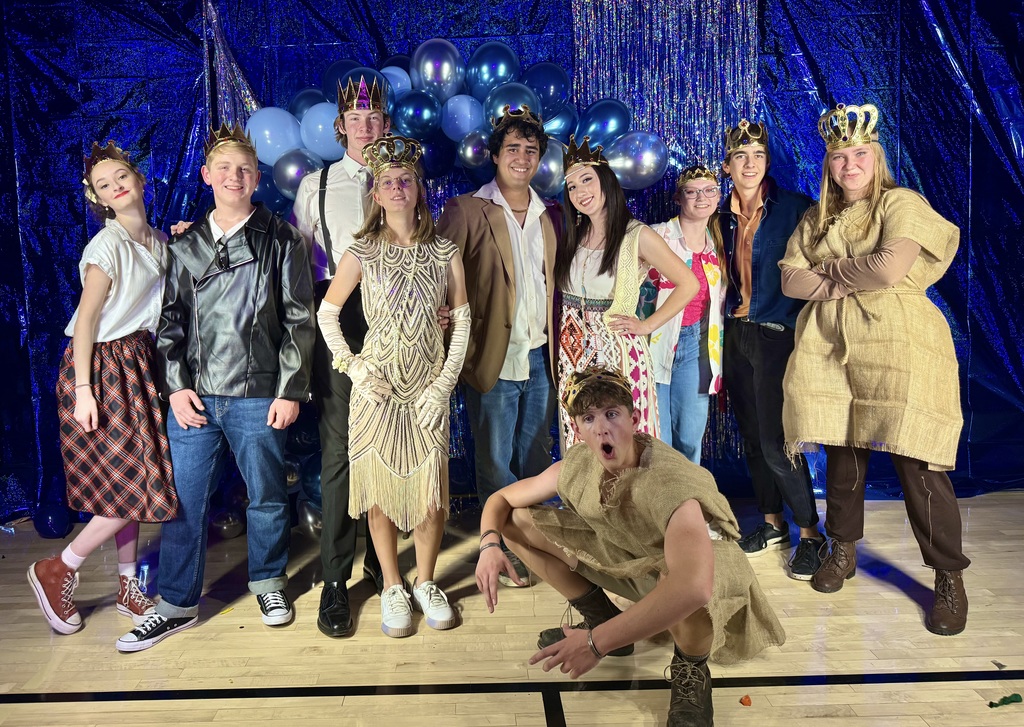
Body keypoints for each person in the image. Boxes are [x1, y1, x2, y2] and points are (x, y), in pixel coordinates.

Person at [475, 367, 785, 726]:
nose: (602, 428)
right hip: (630, 558)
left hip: (700, 575)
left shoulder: (667, 482)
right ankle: (602, 617)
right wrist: (488, 546)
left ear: (634, 419)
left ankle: (690, 671)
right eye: (589, 418)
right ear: (577, 429)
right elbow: (500, 500)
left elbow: (694, 586)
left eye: (612, 414)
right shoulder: (577, 463)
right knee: (516, 521)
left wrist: (595, 644)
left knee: (694, 591)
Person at [115, 123, 315, 652]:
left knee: (269, 496)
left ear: (258, 178)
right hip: (196, 394)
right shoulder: (188, 243)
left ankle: (269, 582)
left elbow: (299, 320)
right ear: (206, 176)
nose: (234, 176)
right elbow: (171, 322)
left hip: (258, 391)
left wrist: (290, 390)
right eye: (224, 168)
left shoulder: (282, 239)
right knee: (184, 501)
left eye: (244, 169)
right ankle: (176, 604)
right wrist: (176, 387)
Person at [779, 103, 969, 635]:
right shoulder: (816, 218)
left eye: (859, 154)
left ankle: (949, 577)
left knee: (919, 462)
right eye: (839, 157)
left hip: (898, 345)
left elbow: (889, 269)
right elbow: (790, 280)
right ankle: (842, 551)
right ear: (829, 164)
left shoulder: (900, 203)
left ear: (876, 156)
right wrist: (835, 278)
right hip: (833, 349)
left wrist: (829, 272)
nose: (849, 165)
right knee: (844, 454)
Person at [318, 134, 470, 638]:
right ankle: (390, 584)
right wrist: (355, 368)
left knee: (430, 492)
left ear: (419, 188)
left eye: (406, 180)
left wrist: (444, 384)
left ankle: (426, 581)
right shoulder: (360, 250)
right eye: (387, 182)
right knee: (380, 491)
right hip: (377, 391)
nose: (398, 188)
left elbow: (463, 320)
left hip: (427, 388)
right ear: (376, 194)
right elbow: (327, 313)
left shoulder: (444, 250)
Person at [28, 141, 178, 636]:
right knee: (137, 484)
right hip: (99, 364)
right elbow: (88, 319)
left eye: (122, 177)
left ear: (139, 180)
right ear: (99, 200)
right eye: (104, 185)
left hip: (136, 360)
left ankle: (127, 584)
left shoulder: (158, 240)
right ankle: (61, 567)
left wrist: (184, 235)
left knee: (124, 485)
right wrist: (85, 389)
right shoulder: (106, 246)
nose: (116, 187)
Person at [435, 104, 560, 589]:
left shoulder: (551, 214)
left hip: (541, 353)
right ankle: (505, 546)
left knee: (534, 454)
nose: (522, 157)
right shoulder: (469, 208)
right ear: (494, 155)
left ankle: (535, 539)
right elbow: (440, 272)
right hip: (492, 355)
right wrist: (446, 323)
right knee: (493, 458)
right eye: (513, 148)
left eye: (531, 150)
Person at [292, 75, 387, 637]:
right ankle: (334, 579)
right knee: (339, 449)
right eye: (357, 120)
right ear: (342, 127)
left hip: (397, 314)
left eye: (375, 119)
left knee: (392, 438)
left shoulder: (406, 179)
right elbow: (300, 263)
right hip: (340, 312)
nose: (367, 127)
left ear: (387, 125)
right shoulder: (316, 185)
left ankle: (384, 560)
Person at [718, 119, 824, 580]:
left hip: (778, 333)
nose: (750, 164)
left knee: (779, 441)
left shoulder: (797, 209)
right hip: (735, 334)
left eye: (758, 156)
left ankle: (811, 535)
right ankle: (771, 523)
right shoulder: (719, 212)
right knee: (751, 437)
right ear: (727, 166)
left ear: (767, 162)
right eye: (741, 157)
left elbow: (825, 263)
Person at [555, 135, 698, 449]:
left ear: (606, 182)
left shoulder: (636, 235)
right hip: (573, 358)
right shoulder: (573, 236)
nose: (580, 192)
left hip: (617, 358)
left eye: (587, 180)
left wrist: (646, 326)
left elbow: (689, 283)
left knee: (619, 445)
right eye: (572, 186)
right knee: (579, 443)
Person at [647, 164, 727, 464]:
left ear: (718, 197)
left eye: (709, 191)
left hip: (696, 344)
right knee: (658, 439)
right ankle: (660, 507)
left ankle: (688, 505)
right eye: (692, 192)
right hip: (655, 341)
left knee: (691, 437)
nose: (701, 198)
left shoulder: (718, 245)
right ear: (679, 198)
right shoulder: (657, 235)